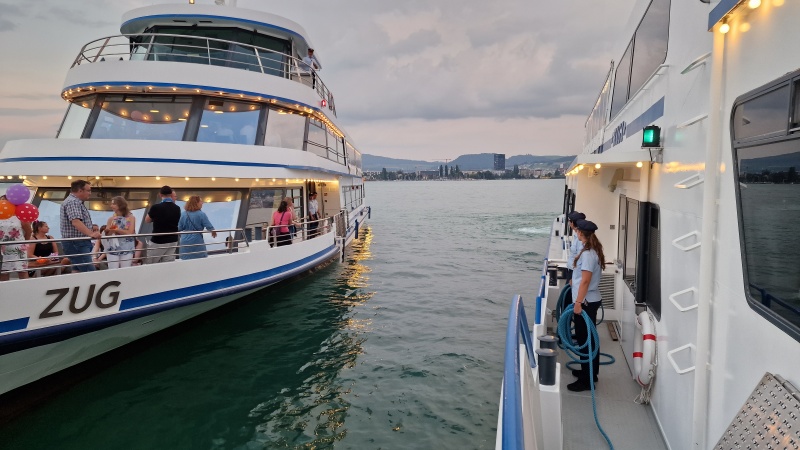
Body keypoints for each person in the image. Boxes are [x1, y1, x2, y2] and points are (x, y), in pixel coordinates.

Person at [568, 219, 606, 392]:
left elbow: (585, 281)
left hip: (586, 303)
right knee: (588, 339)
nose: (576, 232)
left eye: (577, 231)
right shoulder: (591, 250)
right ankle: (589, 373)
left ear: (580, 233)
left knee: (586, 340)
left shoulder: (588, 254)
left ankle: (587, 380)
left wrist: (578, 303)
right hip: (589, 300)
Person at [60, 180, 101, 272]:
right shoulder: (73, 202)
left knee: (77, 270)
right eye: (88, 190)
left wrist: (90, 227)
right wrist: (91, 233)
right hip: (77, 243)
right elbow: (75, 221)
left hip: (75, 243)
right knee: (89, 272)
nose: (90, 193)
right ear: (80, 190)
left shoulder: (73, 201)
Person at [145, 185, 181, 264]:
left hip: (159, 240)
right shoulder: (177, 208)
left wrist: (156, 218)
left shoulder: (156, 207)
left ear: (160, 195)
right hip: (173, 240)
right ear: (171, 194)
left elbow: (147, 220)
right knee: (167, 264)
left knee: (151, 263)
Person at [104, 196, 136, 269]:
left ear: (120, 205)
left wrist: (116, 229)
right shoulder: (111, 219)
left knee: (125, 270)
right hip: (113, 248)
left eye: (113, 204)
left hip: (126, 248)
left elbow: (130, 233)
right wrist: (108, 231)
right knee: (112, 270)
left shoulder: (131, 218)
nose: (111, 206)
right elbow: (108, 235)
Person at [0, 208, 29, 281]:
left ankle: (26, 287)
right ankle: (5, 288)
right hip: (2, 248)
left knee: (22, 271)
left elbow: (29, 230)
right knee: (3, 272)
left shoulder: (19, 215)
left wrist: (24, 243)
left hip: (18, 248)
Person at [566, 211, 586, 284]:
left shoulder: (580, 239)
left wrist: (574, 278)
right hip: (572, 270)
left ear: (572, 223)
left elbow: (580, 259)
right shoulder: (576, 236)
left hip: (575, 273)